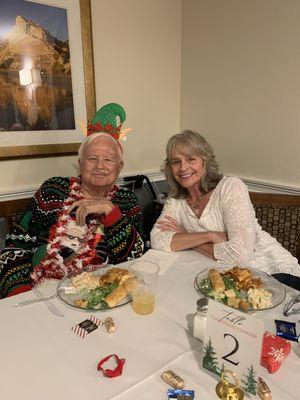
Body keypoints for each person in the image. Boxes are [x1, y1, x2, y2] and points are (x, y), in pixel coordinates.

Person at [0, 103, 144, 298]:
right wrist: (21, 295)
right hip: (42, 291)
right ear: (80, 164)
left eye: (109, 160)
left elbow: (137, 259)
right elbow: (16, 246)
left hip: (101, 296)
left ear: (120, 167)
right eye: (92, 158)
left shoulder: (126, 201)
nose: (100, 166)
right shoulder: (53, 190)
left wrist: (110, 210)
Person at [150, 129, 300, 289]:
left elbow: (240, 256)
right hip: (229, 280)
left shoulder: (230, 187)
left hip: (272, 272)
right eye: (176, 161)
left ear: (204, 161)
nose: (183, 167)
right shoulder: (175, 200)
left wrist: (187, 239)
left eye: (191, 159)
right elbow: (157, 240)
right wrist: (211, 235)